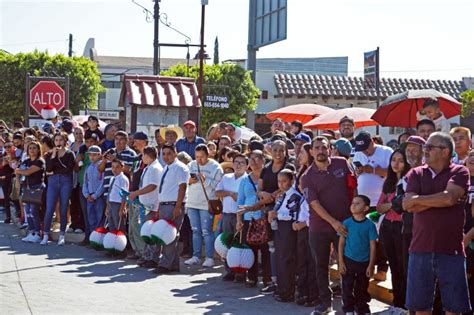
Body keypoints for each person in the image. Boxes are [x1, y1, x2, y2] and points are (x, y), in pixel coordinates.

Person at [403, 132, 471, 314]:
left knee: (454, 309)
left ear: (445, 151)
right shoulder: (416, 173)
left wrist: (420, 200)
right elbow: (408, 205)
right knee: (420, 308)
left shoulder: (460, 171)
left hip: (451, 251)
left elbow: (449, 199)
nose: (424, 151)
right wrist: (441, 199)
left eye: (429, 147)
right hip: (419, 249)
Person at [300, 136, 355, 314]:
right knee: (321, 266)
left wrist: (355, 215)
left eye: (324, 148)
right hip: (320, 228)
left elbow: (353, 188)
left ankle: (349, 302)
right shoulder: (307, 177)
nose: (320, 151)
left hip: (346, 224)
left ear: (330, 148)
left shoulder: (342, 163)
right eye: (316, 148)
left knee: (346, 265)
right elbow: (314, 204)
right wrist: (334, 223)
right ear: (311, 151)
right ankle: (325, 302)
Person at [376, 150, 411, 309]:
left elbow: (406, 206)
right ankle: (397, 304)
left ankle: (406, 305)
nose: (396, 163)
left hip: (403, 228)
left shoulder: (409, 181)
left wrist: (393, 204)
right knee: (394, 267)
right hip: (388, 227)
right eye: (394, 160)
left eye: (401, 160)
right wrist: (394, 204)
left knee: (405, 267)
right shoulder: (388, 182)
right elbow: (379, 208)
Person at [236, 150, 272, 288]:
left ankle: (268, 279)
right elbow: (240, 200)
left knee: (266, 250)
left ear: (263, 160)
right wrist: (238, 220)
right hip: (248, 218)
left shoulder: (268, 177)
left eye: (257, 158)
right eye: (251, 158)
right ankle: (251, 277)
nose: (254, 161)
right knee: (250, 250)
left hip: (264, 217)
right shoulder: (245, 179)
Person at [268, 169, 304, 302]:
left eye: (284, 181)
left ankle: (287, 291)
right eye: (279, 181)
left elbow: (293, 215)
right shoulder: (282, 195)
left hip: (288, 229)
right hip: (280, 229)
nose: (281, 184)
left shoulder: (294, 195)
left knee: (286, 260)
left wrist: (277, 215)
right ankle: (282, 288)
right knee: (281, 259)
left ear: (291, 181)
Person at [185, 144, 223, 267]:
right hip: (192, 202)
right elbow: (184, 181)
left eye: (202, 157)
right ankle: (195, 256)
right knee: (195, 230)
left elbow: (218, 186)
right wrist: (190, 181)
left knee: (207, 231)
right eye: (197, 157)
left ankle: (209, 257)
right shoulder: (191, 165)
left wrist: (205, 180)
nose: (199, 160)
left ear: (208, 155)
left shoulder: (215, 167)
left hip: (207, 204)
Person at [153, 144, 189, 274]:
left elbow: (182, 187)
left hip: (173, 205)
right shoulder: (166, 168)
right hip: (164, 205)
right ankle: (173, 264)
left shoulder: (180, 168)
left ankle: (165, 264)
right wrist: (158, 207)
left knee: (169, 236)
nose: (166, 156)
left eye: (169, 153)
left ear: (175, 153)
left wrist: (178, 206)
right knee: (168, 235)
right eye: (164, 154)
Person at [338, 195, 377, 315]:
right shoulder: (346, 223)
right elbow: (341, 244)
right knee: (347, 287)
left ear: (366, 208)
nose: (353, 205)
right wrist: (341, 262)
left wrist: (371, 265)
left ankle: (362, 309)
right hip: (348, 260)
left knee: (362, 287)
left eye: (357, 203)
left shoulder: (370, 225)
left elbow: (373, 246)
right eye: (353, 202)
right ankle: (348, 309)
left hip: (364, 262)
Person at [215, 153, 248, 281]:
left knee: (239, 243)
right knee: (227, 242)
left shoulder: (247, 179)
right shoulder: (226, 177)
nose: (239, 165)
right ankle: (229, 270)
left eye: (242, 163)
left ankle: (240, 272)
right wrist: (229, 193)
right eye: (236, 162)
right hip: (227, 214)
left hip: (240, 215)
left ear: (247, 166)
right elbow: (217, 192)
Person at [129, 146, 163, 267]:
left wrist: (136, 193)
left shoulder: (155, 168)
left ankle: (153, 258)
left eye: (143, 155)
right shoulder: (149, 167)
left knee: (151, 232)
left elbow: (152, 186)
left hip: (153, 206)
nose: (142, 157)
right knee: (146, 232)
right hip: (146, 205)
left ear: (147, 156)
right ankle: (147, 256)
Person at [42, 132, 75, 246]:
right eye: (56, 140)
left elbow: (69, 169)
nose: (58, 142)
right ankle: (46, 234)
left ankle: (62, 235)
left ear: (65, 141)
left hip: (66, 181)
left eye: (61, 140)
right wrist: (53, 156)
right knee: (50, 208)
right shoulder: (49, 154)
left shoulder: (70, 154)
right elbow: (48, 169)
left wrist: (54, 171)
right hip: (53, 182)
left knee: (64, 207)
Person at [16, 141, 45, 243]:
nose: (32, 150)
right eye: (30, 148)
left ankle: (37, 233)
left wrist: (19, 171)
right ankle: (31, 232)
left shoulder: (40, 161)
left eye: (34, 148)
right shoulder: (26, 161)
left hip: (36, 188)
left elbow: (27, 172)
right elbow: (18, 170)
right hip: (27, 188)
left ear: (38, 150)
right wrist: (19, 172)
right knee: (27, 212)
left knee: (34, 212)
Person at [99, 131, 136, 198]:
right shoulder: (110, 152)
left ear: (126, 141)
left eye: (121, 139)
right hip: (108, 190)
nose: (118, 141)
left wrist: (115, 160)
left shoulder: (131, 153)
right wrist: (103, 162)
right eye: (116, 139)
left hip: (122, 192)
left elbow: (132, 171)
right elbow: (100, 170)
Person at [82, 145, 105, 233]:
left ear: (100, 155)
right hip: (89, 196)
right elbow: (85, 182)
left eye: (95, 155)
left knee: (99, 216)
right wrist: (86, 194)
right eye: (90, 155)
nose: (92, 157)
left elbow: (103, 183)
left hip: (98, 196)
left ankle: (99, 236)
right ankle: (92, 235)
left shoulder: (101, 166)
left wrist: (95, 195)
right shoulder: (88, 167)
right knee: (91, 217)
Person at [105, 159, 129, 233]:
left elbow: (124, 195)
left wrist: (122, 209)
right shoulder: (112, 178)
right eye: (113, 167)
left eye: (117, 167)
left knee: (118, 226)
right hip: (111, 203)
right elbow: (110, 193)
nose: (114, 169)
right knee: (111, 225)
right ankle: (112, 242)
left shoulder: (123, 179)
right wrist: (107, 207)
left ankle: (120, 243)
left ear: (122, 168)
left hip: (118, 204)